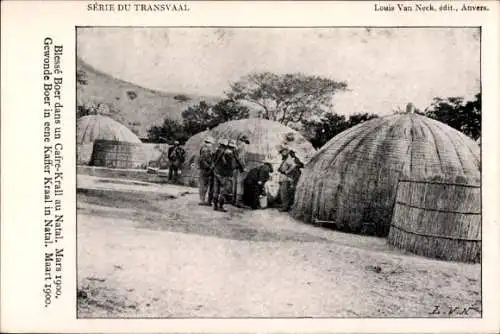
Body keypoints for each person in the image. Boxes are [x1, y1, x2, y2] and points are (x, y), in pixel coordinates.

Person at [212, 138, 244, 212]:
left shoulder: (218, 151)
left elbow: (214, 161)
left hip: (216, 172)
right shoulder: (230, 154)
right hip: (224, 174)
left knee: (216, 190)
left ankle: (215, 206)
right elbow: (230, 166)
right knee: (223, 191)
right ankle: (220, 206)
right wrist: (238, 167)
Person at [277, 144, 304, 212]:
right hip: (285, 177)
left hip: (286, 178)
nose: (281, 153)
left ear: (286, 152)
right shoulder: (286, 159)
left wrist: (287, 172)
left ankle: (285, 207)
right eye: (281, 152)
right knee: (284, 193)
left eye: (283, 152)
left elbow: (293, 166)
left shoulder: (289, 159)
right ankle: (285, 206)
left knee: (284, 193)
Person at [232, 134, 250, 207]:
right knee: (240, 184)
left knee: (235, 183)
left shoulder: (238, 146)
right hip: (240, 167)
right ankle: (238, 201)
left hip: (236, 167)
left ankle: (234, 199)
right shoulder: (244, 146)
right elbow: (242, 158)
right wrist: (244, 167)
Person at [198, 136, 215, 206]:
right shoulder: (206, 149)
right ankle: (204, 200)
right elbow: (203, 160)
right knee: (205, 185)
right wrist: (210, 167)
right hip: (206, 169)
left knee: (204, 185)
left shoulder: (204, 149)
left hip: (206, 169)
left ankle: (205, 200)